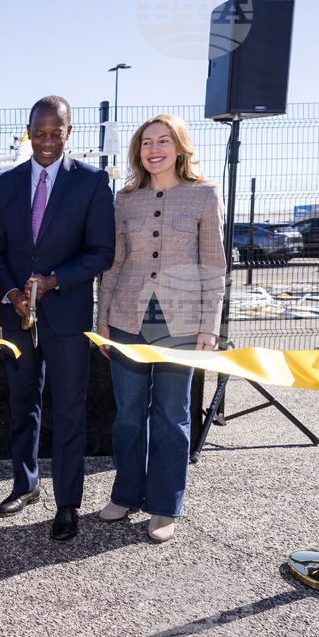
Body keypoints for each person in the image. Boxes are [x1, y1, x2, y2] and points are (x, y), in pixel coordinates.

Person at [0, 96, 115, 542]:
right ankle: (25, 484)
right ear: (28, 131)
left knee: (71, 412)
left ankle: (67, 504)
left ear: (69, 132)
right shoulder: (6, 184)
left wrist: (55, 281)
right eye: (39, 133)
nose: (47, 141)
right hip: (18, 315)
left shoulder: (93, 183)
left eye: (56, 133)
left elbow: (101, 252)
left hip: (67, 314)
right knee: (23, 405)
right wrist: (13, 292)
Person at [96, 114, 226, 542]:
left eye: (163, 141)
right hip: (127, 319)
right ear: (138, 152)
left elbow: (214, 265)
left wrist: (208, 325)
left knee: (172, 414)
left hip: (183, 321)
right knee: (129, 414)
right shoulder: (125, 199)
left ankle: (165, 505)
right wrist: (103, 319)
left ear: (179, 148)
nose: (154, 149)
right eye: (146, 142)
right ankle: (125, 493)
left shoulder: (204, 195)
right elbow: (114, 265)